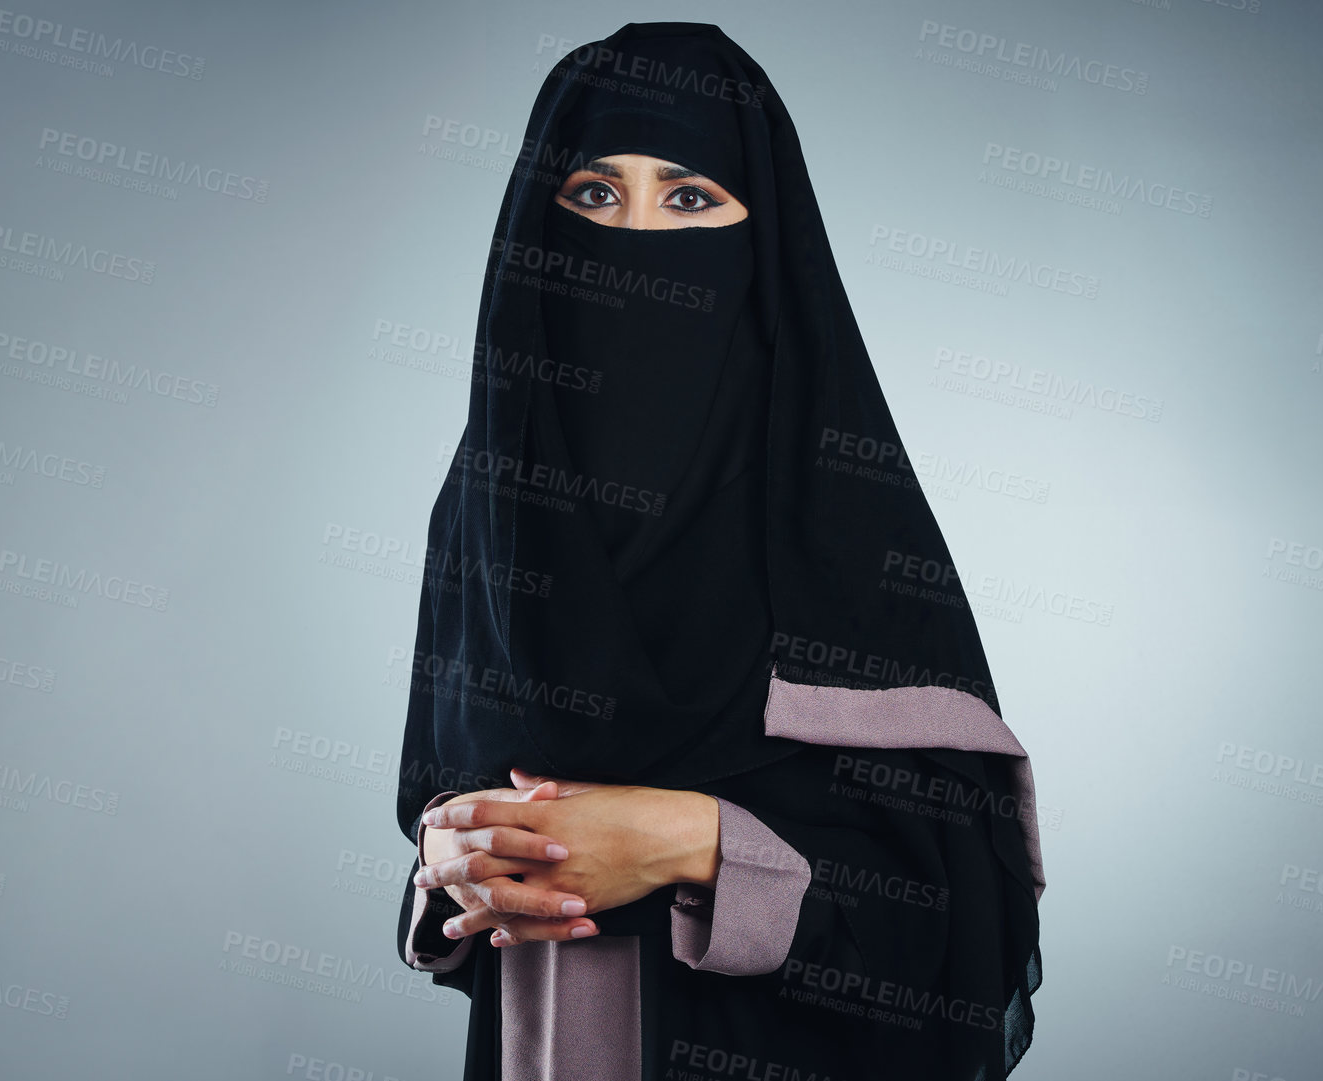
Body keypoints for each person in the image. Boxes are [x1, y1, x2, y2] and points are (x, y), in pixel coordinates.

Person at [394, 22, 1043, 1081]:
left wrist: (694, 840)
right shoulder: (494, 508)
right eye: (594, 197)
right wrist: (453, 860)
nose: (637, 242)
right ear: (536, 231)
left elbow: (965, 933)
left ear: (761, 244)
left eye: (689, 199)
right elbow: (441, 838)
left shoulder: (844, 522)